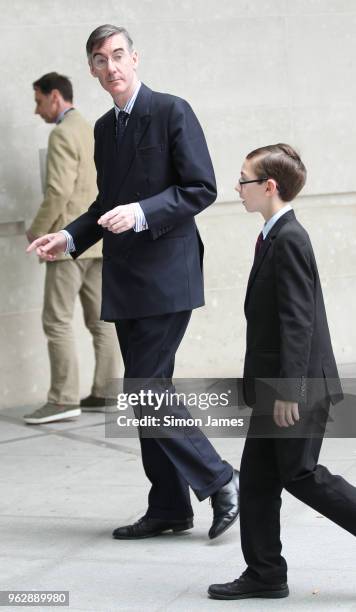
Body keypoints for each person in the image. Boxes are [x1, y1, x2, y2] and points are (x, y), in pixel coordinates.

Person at [27, 25, 239, 539]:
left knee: (144, 389)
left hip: (169, 275)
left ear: (135, 58)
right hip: (126, 281)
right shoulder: (103, 129)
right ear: (93, 70)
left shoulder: (171, 111)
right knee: (146, 391)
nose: (112, 67)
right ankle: (168, 507)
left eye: (119, 55)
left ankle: (220, 479)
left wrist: (143, 213)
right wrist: (70, 238)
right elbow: (103, 205)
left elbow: (201, 187)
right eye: (101, 60)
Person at [208, 144, 356, 601]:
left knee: (301, 474)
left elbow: (298, 319)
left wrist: (290, 390)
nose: (238, 187)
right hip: (277, 386)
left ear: (269, 186)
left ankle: (266, 571)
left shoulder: (290, 238)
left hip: (296, 388)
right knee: (256, 479)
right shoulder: (274, 235)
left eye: (244, 179)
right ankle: (265, 573)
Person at [25, 72, 120, 425]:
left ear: (54, 97)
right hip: (97, 238)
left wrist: (37, 231)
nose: (37, 110)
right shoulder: (90, 127)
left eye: (38, 101)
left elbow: (58, 192)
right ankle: (108, 393)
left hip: (68, 241)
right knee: (103, 320)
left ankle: (63, 399)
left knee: (56, 320)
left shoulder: (63, 133)